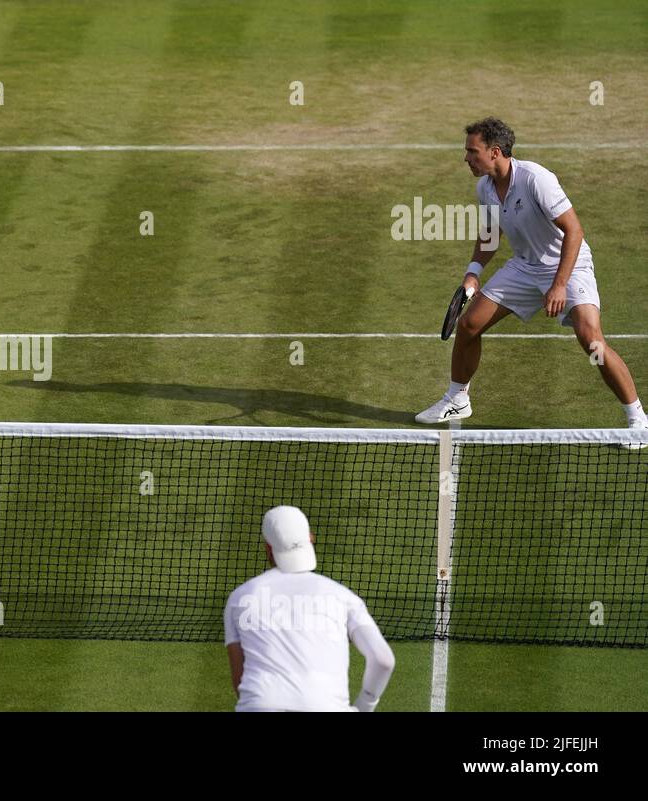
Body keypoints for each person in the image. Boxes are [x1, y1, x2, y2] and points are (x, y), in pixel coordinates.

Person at [415, 118, 647, 432]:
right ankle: (457, 398)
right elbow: (490, 233)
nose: (466, 158)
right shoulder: (485, 186)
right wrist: (473, 273)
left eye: (472, 151)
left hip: (569, 265)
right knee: (469, 325)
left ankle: (637, 419)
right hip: (524, 267)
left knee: (591, 339)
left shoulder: (536, 179)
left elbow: (574, 231)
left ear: (494, 152)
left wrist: (559, 284)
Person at [224, 506, 395, 712]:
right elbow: (383, 660)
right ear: (310, 538)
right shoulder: (343, 597)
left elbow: (240, 681)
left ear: (268, 548)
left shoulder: (240, 598)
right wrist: (365, 705)